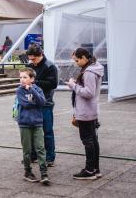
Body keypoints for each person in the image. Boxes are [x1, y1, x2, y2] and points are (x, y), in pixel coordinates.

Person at [67, 48, 104, 180]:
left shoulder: (89, 71)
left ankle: (89, 171)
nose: (76, 63)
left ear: (83, 57)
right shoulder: (95, 67)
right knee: (93, 140)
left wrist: (73, 85)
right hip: (91, 110)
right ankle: (95, 169)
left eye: (77, 60)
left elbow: (89, 92)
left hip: (86, 111)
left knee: (87, 140)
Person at [26, 44, 58, 167]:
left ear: (41, 55)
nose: (32, 62)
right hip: (31, 103)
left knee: (47, 131)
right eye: (30, 59)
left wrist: (34, 82)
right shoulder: (29, 66)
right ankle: (33, 155)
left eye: (34, 59)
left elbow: (53, 84)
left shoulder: (50, 66)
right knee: (32, 130)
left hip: (45, 103)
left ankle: (50, 157)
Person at [16, 68, 50, 184]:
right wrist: (35, 103)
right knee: (27, 150)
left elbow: (42, 102)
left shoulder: (38, 89)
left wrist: (32, 90)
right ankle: (27, 171)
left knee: (40, 148)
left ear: (32, 79)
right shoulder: (19, 91)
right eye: (20, 77)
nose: (22, 80)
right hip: (24, 124)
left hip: (37, 123)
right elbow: (24, 104)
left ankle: (44, 173)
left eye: (25, 77)